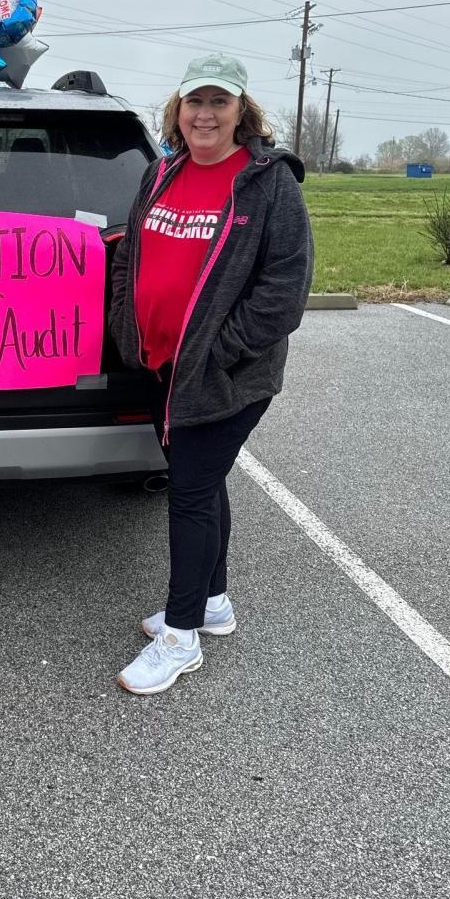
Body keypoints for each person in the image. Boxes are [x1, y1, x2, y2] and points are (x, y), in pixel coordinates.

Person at [109, 54, 313, 696]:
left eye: (218, 103)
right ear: (178, 110)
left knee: (190, 493)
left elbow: (285, 288)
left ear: (240, 112)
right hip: (160, 362)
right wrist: (126, 322)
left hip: (224, 376)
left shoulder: (267, 184)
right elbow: (133, 253)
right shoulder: (160, 171)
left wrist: (220, 349)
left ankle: (181, 637)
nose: (204, 114)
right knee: (201, 482)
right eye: (194, 102)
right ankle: (214, 602)